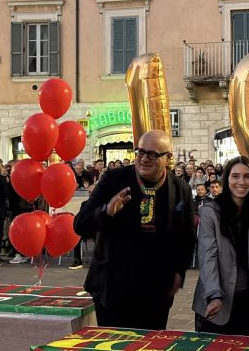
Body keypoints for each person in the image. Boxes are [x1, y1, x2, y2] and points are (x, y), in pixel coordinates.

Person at [75, 130, 195, 329]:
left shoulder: (180, 188)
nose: (144, 159)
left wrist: (178, 272)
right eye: (140, 152)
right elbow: (80, 224)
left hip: (156, 293)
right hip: (113, 289)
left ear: (168, 158)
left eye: (153, 154)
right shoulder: (113, 180)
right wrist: (106, 212)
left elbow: (187, 236)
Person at [191, 156, 249, 335]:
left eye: (247, 176)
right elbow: (207, 256)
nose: (241, 182)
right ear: (227, 179)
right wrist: (214, 295)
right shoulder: (211, 212)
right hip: (216, 302)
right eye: (235, 176)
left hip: (247, 303)